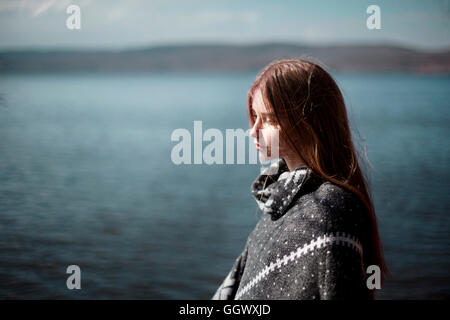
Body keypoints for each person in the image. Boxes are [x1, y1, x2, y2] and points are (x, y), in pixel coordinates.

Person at [212, 58, 388, 300]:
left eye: (270, 119)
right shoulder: (280, 200)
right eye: (255, 116)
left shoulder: (329, 209)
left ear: (308, 122)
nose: (253, 130)